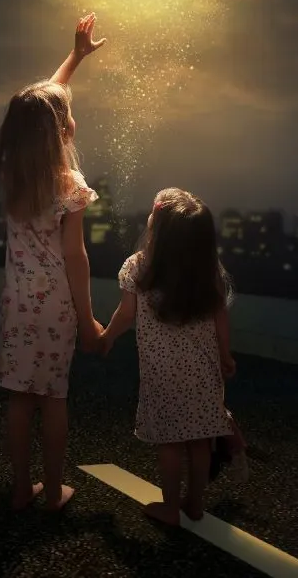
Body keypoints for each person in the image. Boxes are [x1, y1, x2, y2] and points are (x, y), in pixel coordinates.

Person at [0, 14, 106, 512]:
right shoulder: (69, 186)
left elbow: (35, 109)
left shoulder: (10, 173)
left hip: (17, 303)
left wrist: (75, 60)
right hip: (56, 307)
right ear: (61, 130)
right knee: (54, 398)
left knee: (20, 398)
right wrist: (87, 320)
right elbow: (75, 258)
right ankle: (54, 489)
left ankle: (21, 490)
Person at [100, 187, 236, 527]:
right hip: (204, 371)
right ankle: (195, 504)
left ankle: (170, 508)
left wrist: (106, 337)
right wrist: (225, 355)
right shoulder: (209, 271)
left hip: (161, 374)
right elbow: (221, 317)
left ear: (157, 229)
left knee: (170, 443)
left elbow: (125, 314)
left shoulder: (138, 267)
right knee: (200, 439)